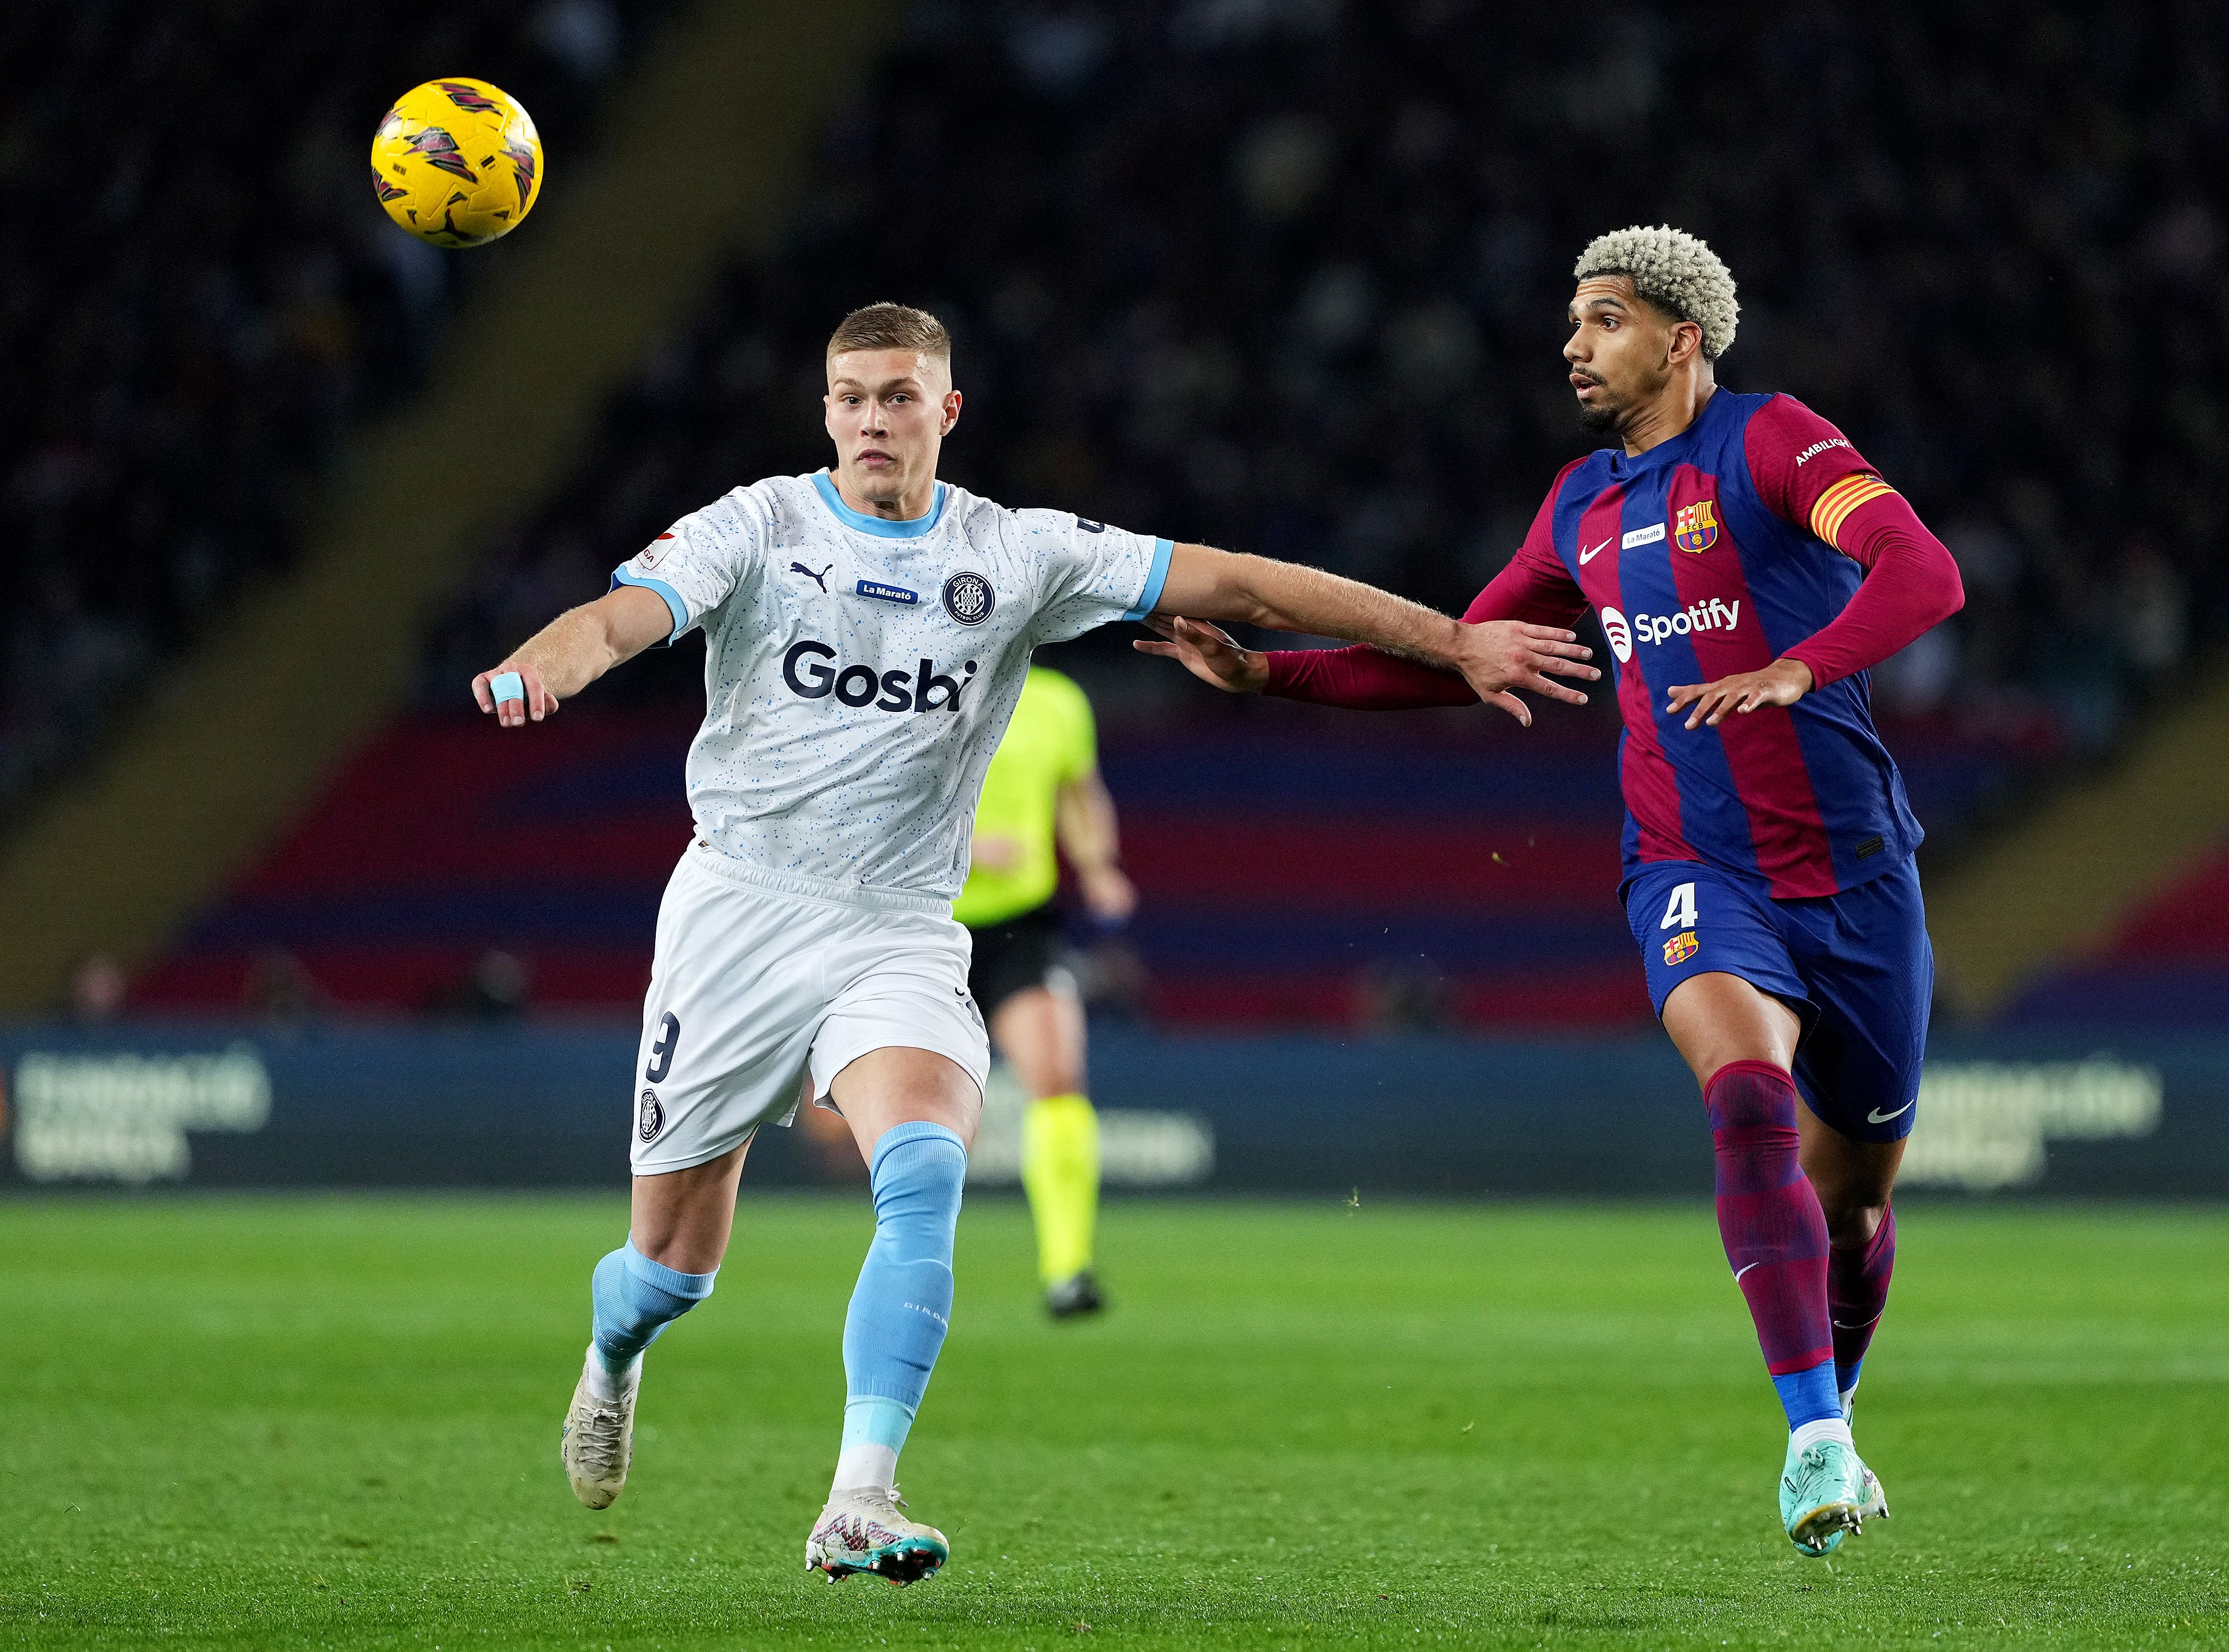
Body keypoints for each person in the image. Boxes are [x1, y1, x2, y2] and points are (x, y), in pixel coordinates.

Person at [471, 302, 1597, 1587]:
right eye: (847, 397)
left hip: (895, 925)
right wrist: (544, 667)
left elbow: (1236, 579)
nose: (869, 419)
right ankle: (612, 1358)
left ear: (945, 411)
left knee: (926, 1170)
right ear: (824, 410)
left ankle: (857, 1492)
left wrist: (1451, 637)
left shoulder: (1017, 552)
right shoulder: (760, 524)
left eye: (897, 395)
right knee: (670, 1270)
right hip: (737, 910)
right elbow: (619, 616)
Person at [1137, 227, 1964, 1558]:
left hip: (1859, 873)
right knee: (1747, 1096)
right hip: (1692, 868)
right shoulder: (1578, 504)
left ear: (1681, 337)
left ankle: (1838, 1406)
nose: (1572, 345)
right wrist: (1269, 676)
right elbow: (1465, 657)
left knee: (1857, 1200)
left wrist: (1801, 668)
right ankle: (1812, 1439)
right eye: (1572, 322)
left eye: (1603, 320)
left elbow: (1923, 569)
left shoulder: (1772, 443)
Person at [955, 665, 1133, 1318]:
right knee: (918, 1115)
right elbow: (866, 799)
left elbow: (1079, 793)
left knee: (1057, 1079)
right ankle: (911, 1265)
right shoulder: (921, 674)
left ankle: (1067, 1270)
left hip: (1020, 927)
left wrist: (1097, 866)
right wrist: (965, 848)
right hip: (918, 921)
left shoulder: (1058, 699)